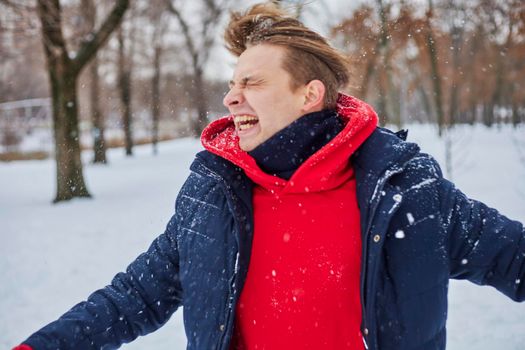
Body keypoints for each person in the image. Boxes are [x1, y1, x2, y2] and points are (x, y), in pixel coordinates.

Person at [14, 3, 524, 350]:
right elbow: (134, 297)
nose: (230, 97)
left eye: (252, 82)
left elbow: (511, 257)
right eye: (232, 83)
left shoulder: (404, 190)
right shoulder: (214, 194)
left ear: (310, 95)